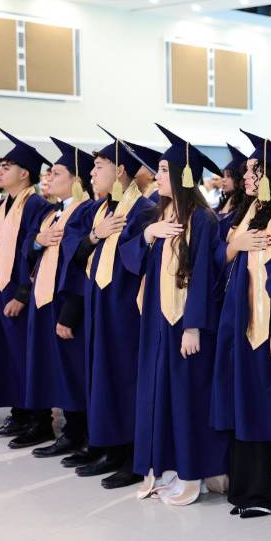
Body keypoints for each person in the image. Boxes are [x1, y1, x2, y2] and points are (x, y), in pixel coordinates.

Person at [130, 126, 229, 506]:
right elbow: (131, 258)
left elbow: (205, 275)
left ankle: (192, 473)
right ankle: (166, 468)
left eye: (163, 170)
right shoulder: (160, 214)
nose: (156, 176)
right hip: (156, 323)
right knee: (158, 395)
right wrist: (148, 235)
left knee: (187, 398)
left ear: (182, 175)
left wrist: (194, 327)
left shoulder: (203, 220)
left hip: (185, 324)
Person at [212, 130, 271, 519]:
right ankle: (246, 488)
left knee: (269, 407)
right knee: (244, 404)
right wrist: (234, 246)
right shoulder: (246, 212)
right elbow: (220, 259)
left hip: (268, 326)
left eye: (254, 170)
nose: (247, 176)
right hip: (240, 322)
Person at [76, 128, 155, 488]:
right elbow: (77, 252)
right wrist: (96, 234)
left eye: (99, 166)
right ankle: (109, 447)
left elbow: (140, 262)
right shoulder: (102, 209)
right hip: (99, 305)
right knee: (102, 376)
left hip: (126, 309)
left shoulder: (144, 210)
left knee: (125, 380)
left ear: (120, 170)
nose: (92, 173)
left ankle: (133, 457)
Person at [21, 139, 98, 459]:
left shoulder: (88, 211)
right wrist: (38, 240)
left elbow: (83, 264)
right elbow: (28, 249)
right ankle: (61, 426)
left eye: (56, 173)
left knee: (72, 369)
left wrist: (71, 310)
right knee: (55, 367)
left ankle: (78, 432)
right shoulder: (53, 213)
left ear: (76, 179)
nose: (48, 178)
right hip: (44, 298)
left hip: (66, 302)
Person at [0, 130, 53, 445]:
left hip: (19, 291)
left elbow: (36, 254)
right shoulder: (2, 206)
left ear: (24, 174)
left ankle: (38, 421)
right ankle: (19, 415)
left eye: (6, 167)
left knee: (26, 356)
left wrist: (23, 294)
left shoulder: (36, 205)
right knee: (8, 354)